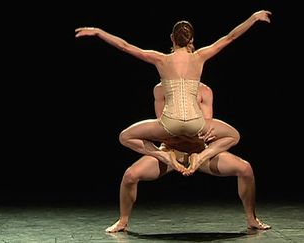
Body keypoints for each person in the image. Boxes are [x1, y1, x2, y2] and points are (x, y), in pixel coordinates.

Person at [75, 10, 272, 172]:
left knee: (125, 137)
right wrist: (254, 18)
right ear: (192, 39)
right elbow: (230, 37)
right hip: (197, 123)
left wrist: (98, 32)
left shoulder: (161, 59)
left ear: (172, 38)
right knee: (234, 136)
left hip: (169, 123)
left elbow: (126, 47)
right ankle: (202, 156)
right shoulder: (200, 56)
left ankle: (163, 155)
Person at [105, 82, 271, 233]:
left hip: (199, 152)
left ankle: (252, 219)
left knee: (245, 168)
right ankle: (122, 221)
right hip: (170, 151)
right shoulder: (161, 89)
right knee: (130, 175)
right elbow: (164, 127)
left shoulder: (204, 91)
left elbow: (205, 127)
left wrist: (204, 135)